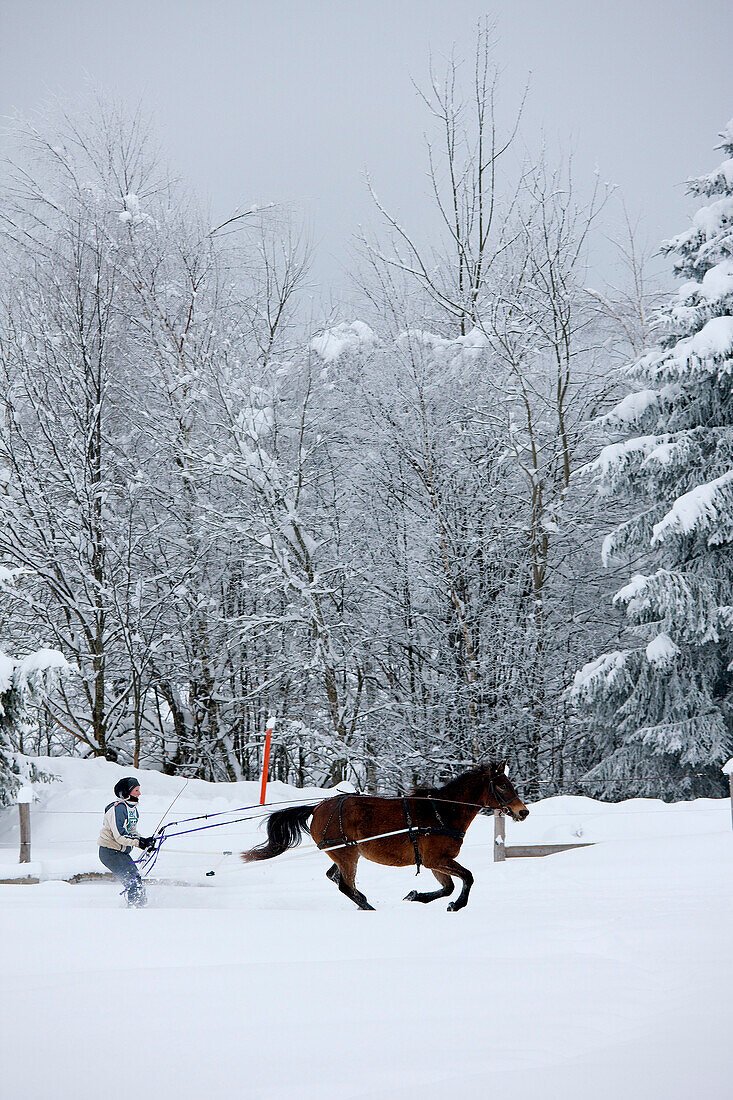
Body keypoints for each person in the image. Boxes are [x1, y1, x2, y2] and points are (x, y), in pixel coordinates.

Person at [98, 776, 156, 907]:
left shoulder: (132, 809)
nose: (139, 793)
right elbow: (120, 836)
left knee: (137, 881)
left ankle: (140, 907)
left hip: (121, 852)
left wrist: (144, 842)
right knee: (133, 883)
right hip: (110, 852)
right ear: (126, 792)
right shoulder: (117, 809)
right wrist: (138, 842)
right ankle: (134, 911)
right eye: (136, 790)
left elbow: (131, 832)